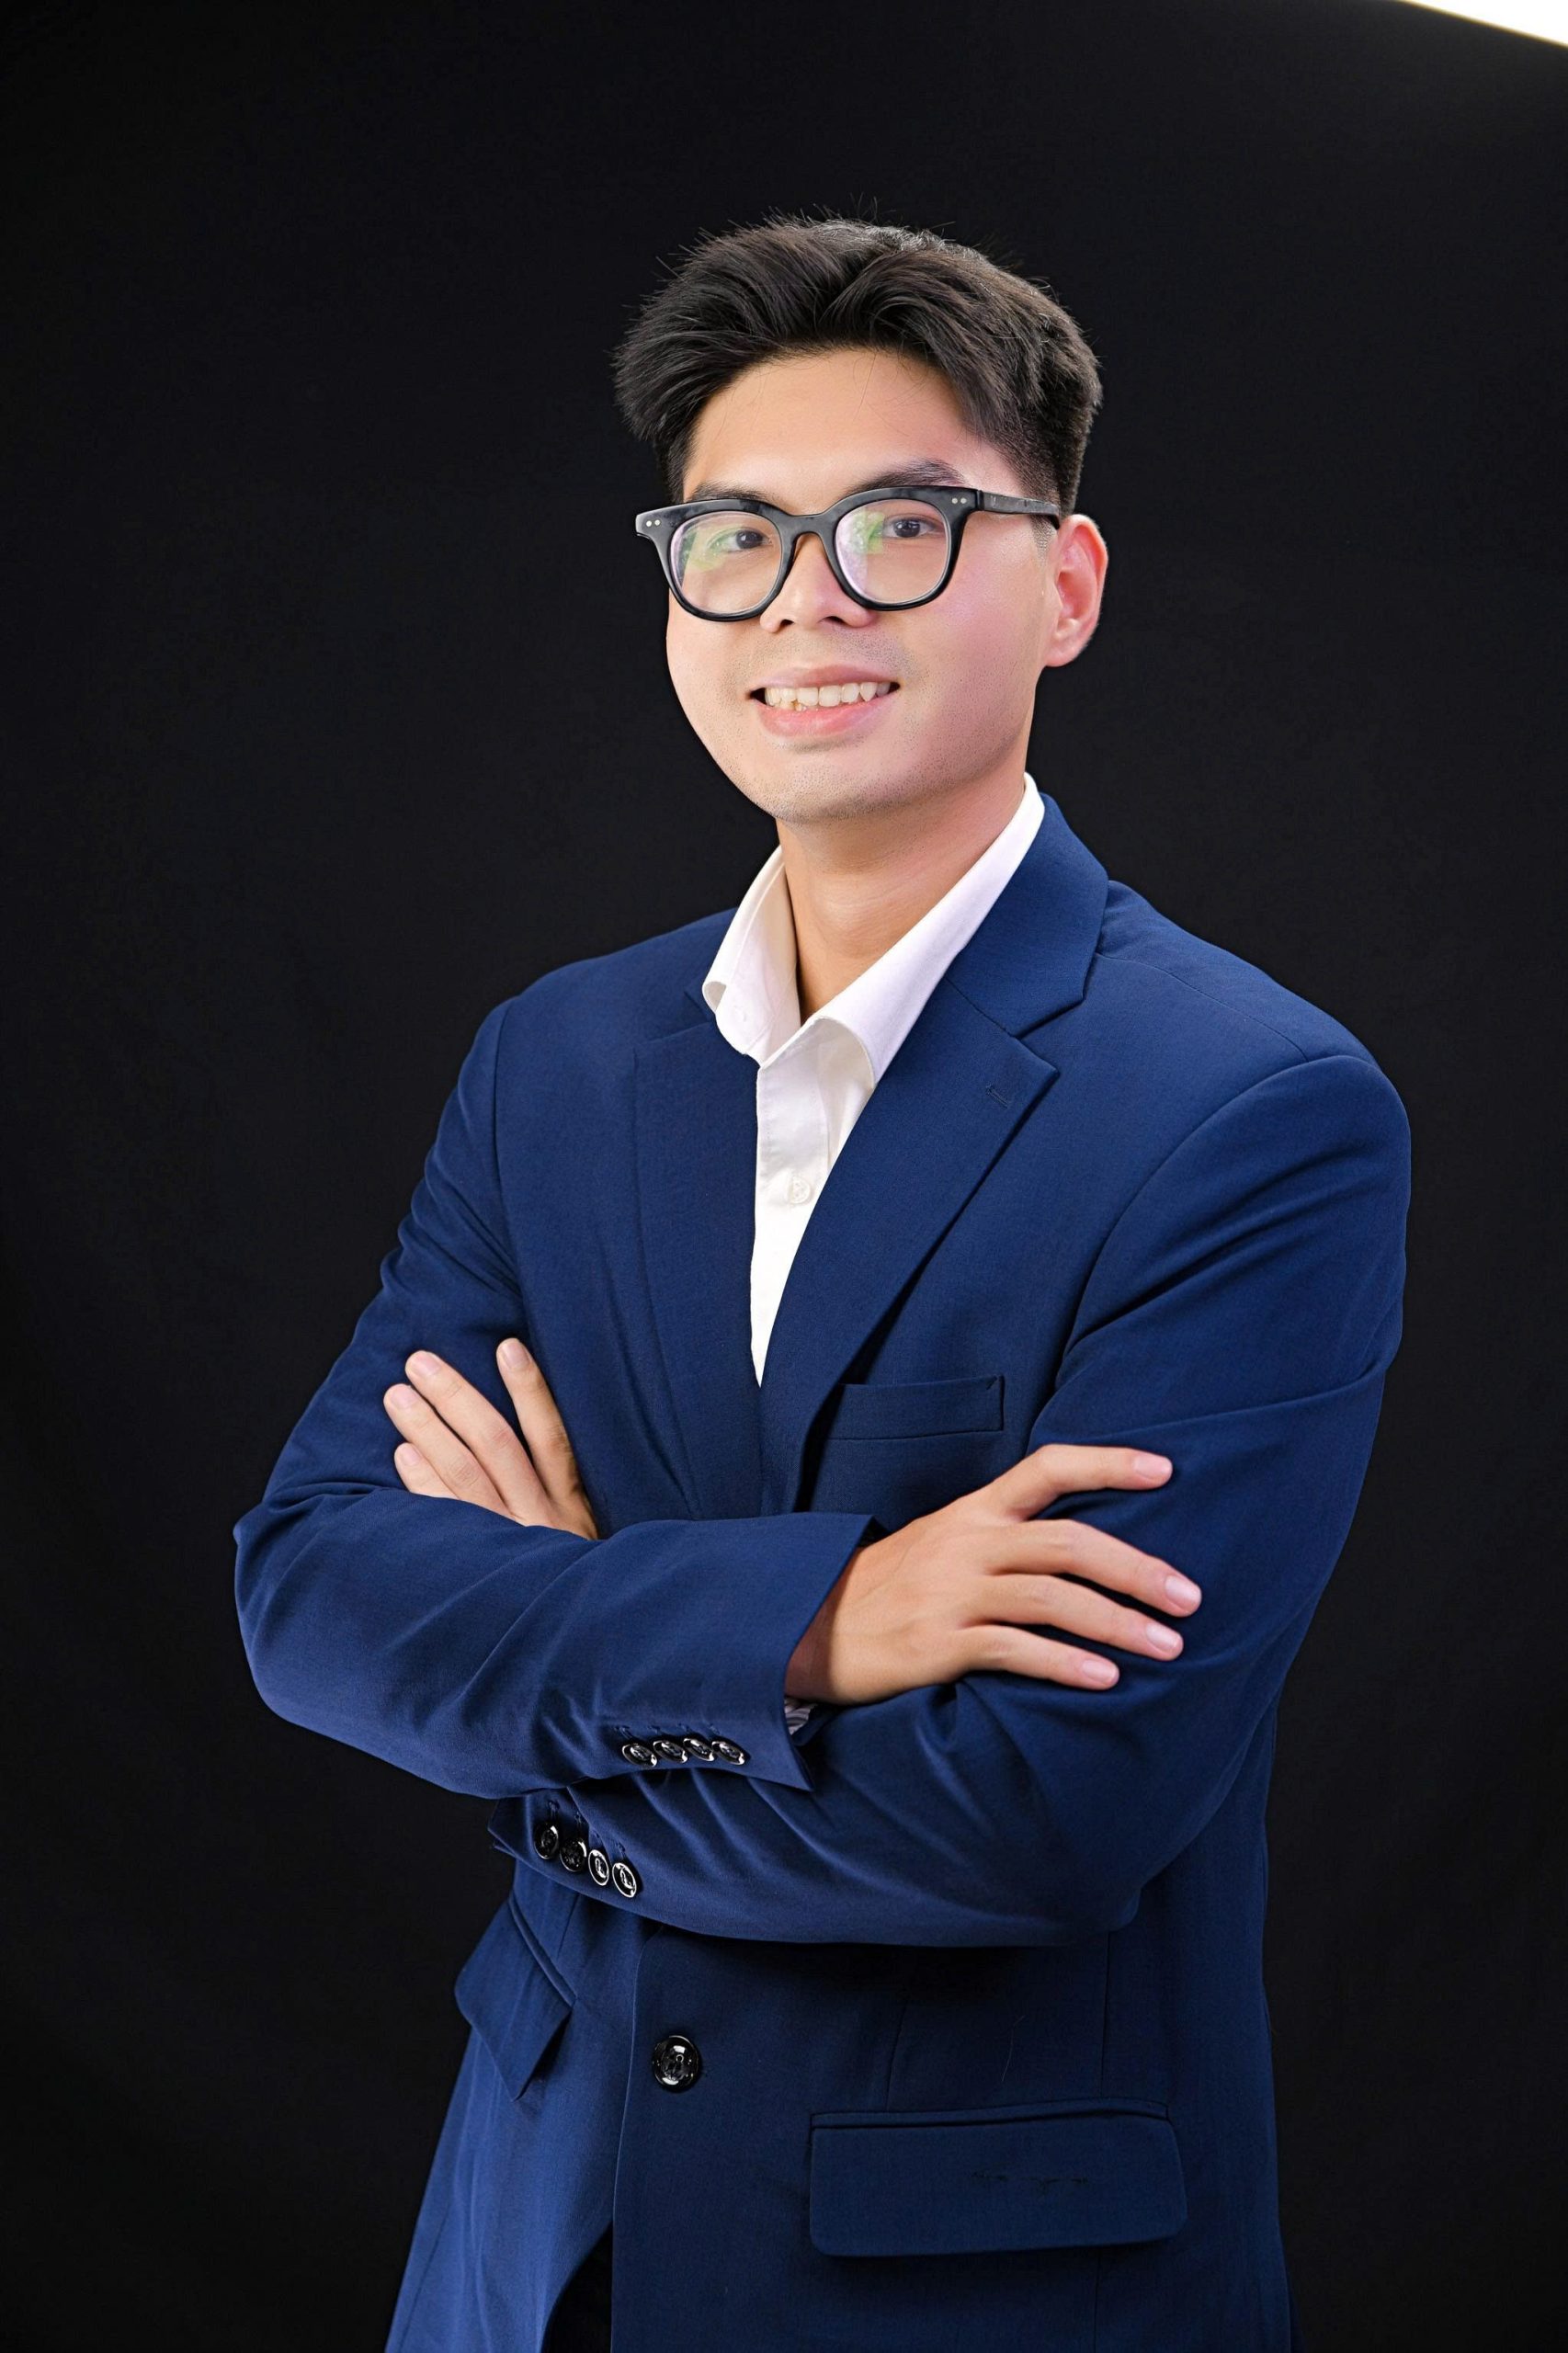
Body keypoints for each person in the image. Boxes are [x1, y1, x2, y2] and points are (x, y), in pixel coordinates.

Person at [233, 211, 1410, 2353]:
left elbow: (1038, 1816)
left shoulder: (1250, 1106)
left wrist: (545, 1688)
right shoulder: (557, 1060)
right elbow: (313, 1591)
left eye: (898, 526)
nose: (804, 600)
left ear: (1065, 582)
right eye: (736, 537)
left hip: (980, 2276)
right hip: (534, 2241)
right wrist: (822, 1618)